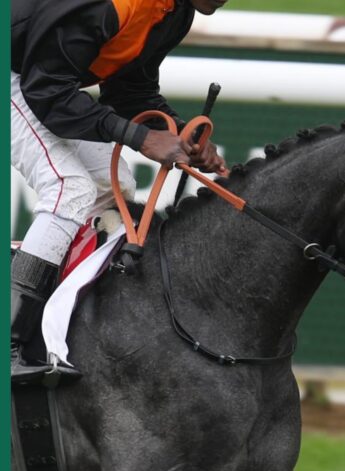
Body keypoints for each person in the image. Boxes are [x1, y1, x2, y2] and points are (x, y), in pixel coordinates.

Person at [10, 0, 229, 381]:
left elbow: (129, 90)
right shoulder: (111, 4)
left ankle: (65, 325)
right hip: (23, 74)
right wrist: (141, 138)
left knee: (115, 186)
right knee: (69, 188)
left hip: (34, 76)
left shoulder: (176, 10)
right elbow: (46, 90)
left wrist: (178, 132)